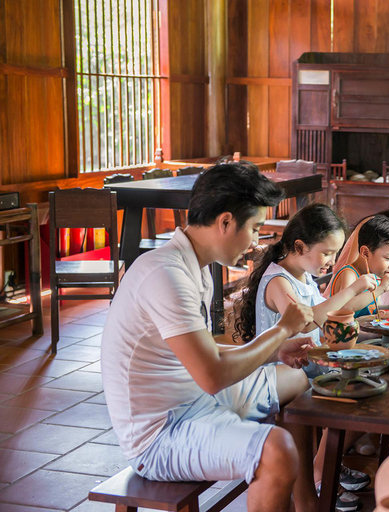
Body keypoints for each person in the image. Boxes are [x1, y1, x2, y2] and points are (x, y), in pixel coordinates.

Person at [101, 163, 319, 512]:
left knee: (297, 378)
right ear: (226, 222)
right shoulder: (165, 275)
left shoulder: (190, 267)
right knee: (278, 451)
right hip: (160, 434)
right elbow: (212, 374)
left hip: (193, 400)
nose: (256, 241)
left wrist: (276, 351)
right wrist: (282, 330)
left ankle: (307, 502)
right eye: (255, 228)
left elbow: (201, 352)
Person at [232, 203, 377, 512]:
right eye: (326, 253)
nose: (331, 261)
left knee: (372, 366)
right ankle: (323, 472)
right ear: (299, 246)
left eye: (335, 254)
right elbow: (307, 321)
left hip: (305, 365)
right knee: (361, 392)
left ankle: (326, 470)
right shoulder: (279, 281)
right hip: (280, 372)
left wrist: (372, 295)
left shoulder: (302, 274)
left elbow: (326, 316)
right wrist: (352, 290)